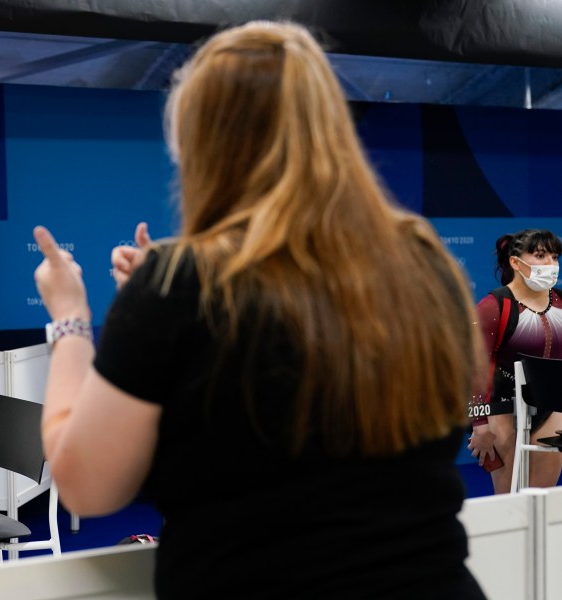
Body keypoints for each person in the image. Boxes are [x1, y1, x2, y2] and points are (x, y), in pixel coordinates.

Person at [32, 20, 487, 599]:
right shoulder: (423, 262)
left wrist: (70, 318)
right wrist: (155, 320)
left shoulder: (182, 283)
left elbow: (85, 485)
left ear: (201, 145)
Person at [468, 229, 562, 494]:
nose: (551, 265)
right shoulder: (493, 305)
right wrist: (479, 424)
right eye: (541, 256)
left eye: (554, 257)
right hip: (502, 408)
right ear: (515, 262)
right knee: (510, 501)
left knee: (542, 499)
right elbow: (474, 370)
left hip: (552, 406)